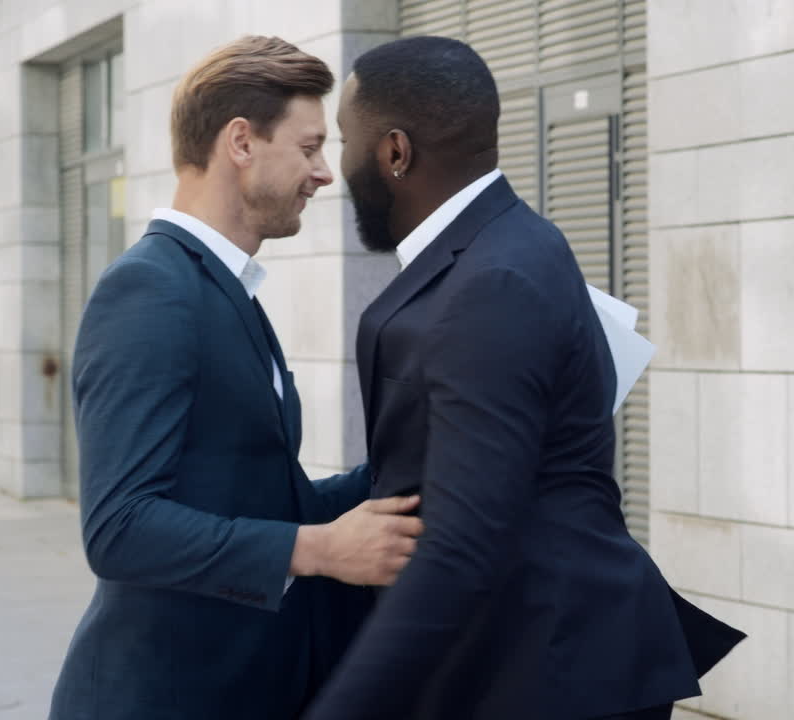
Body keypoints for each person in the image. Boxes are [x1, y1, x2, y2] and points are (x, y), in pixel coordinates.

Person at [306, 36, 745, 720]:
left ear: (395, 152)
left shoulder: (494, 279)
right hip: (533, 658)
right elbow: (438, 464)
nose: (337, 167)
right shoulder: (507, 244)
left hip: (550, 670)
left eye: (343, 139)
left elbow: (459, 543)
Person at [48, 36, 422, 720]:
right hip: (160, 697)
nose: (323, 174)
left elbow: (251, 493)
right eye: (309, 148)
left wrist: (410, 465)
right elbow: (119, 529)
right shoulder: (150, 291)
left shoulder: (223, 288)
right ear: (241, 142)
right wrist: (318, 549)